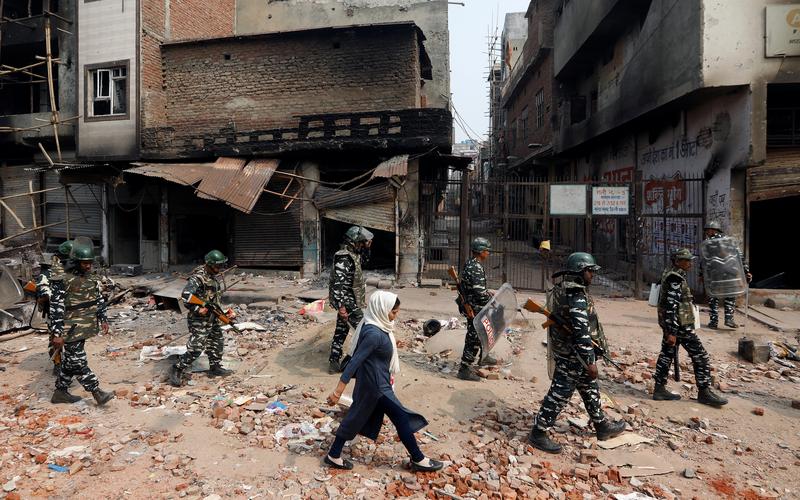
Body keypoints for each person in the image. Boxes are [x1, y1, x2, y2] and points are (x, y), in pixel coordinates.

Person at [325, 291, 443, 472]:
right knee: (402, 417)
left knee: (356, 418)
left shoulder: (377, 325)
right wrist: (338, 392)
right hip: (376, 387)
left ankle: (334, 454)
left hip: (376, 383)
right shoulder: (373, 333)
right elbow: (354, 362)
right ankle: (419, 459)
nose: (396, 316)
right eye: (393, 312)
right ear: (382, 309)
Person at [528, 252, 625, 454]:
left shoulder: (564, 288)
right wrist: (590, 361)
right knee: (560, 393)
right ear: (581, 271)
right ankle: (539, 431)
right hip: (574, 355)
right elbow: (582, 332)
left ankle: (601, 425)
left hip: (571, 351)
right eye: (590, 271)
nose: (593, 275)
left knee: (589, 387)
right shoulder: (576, 294)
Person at [652, 248, 728, 407]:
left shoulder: (672, 273)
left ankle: (659, 389)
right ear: (677, 261)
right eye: (686, 260)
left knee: (666, 355)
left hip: (675, 324)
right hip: (680, 326)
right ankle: (704, 392)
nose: (690, 263)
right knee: (700, 356)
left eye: (690, 260)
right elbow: (670, 306)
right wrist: (671, 332)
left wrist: (669, 330)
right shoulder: (675, 278)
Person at [49, 240, 114, 405]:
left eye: (90, 263)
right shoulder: (63, 280)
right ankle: (97, 392)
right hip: (69, 328)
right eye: (85, 263)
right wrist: (56, 334)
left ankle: (60, 392)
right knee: (78, 361)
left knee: (71, 362)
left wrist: (103, 317)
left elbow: (97, 299)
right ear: (76, 262)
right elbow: (56, 307)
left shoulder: (90, 277)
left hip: (85, 325)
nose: (88, 266)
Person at [169, 250, 235, 387]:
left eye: (220, 266)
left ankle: (215, 367)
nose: (219, 269)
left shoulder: (212, 277)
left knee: (217, 342)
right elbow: (186, 296)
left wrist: (223, 313)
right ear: (209, 265)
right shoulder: (198, 278)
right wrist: (198, 309)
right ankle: (177, 369)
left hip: (212, 317)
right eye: (217, 266)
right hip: (199, 319)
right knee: (196, 348)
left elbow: (213, 299)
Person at [328, 225, 373, 374]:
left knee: (341, 330)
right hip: (347, 301)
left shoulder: (353, 254)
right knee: (364, 329)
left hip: (350, 300)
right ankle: (362, 363)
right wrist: (342, 307)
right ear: (355, 241)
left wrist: (367, 247)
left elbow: (366, 261)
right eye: (362, 242)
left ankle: (334, 361)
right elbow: (338, 285)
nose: (363, 245)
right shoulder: (344, 256)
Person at [457, 237, 498, 381]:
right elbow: (479, 294)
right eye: (487, 251)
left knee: (483, 334)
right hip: (475, 309)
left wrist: (488, 291)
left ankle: (484, 356)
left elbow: (479, 290)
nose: (488, 253)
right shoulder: (475, 267)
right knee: (473, 337)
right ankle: (464, 368)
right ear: (480, 251)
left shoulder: (472, 264)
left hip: (476, 307)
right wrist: (492, 302)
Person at [702, 221, 751, 329]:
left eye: (708, 230)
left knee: (713, 298)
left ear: (713, 230)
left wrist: (702, 275)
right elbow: (740, 257)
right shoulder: (729, 241)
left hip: (715, 274)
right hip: (730, 272)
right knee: (730, 295)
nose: (707, 232)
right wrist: (746, 271)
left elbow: (704, 261)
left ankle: (714, 322)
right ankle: (729, 319)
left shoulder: (707, 243)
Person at [35, 240, 73, 375]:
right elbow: (43, 292)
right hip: (54, 311)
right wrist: (54, 296)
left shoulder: (72, 270)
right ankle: (57, 363)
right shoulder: (48, 272)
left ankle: (70, 362)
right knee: (55, 337)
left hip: (70, 311)